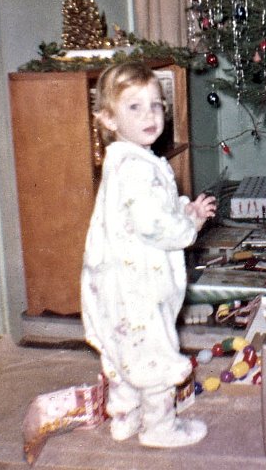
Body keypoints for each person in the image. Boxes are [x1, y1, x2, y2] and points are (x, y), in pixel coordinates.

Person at [81, 61, 216, 448]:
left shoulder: (124, 158)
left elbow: (149, 211)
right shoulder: (137, 168)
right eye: (134, 107)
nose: (150, 115)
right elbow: (156, 226)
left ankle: (125, 416)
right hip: (137, 283)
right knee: (154, 349)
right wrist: (192, 225)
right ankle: (159, 427)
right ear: (108, 118)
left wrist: (183, 209)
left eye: (155, 105)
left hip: (113, 279)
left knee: (127, 348)